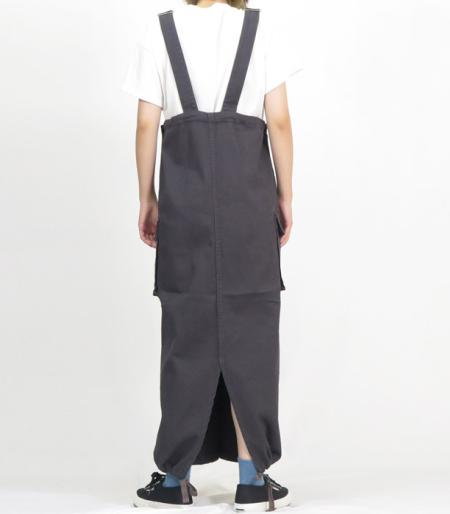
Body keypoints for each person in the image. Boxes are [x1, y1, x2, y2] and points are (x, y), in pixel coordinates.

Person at [122, 0, 299, 510]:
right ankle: (252, 480)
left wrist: (147, 196)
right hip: (249, 208)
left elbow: (145, 124)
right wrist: (285, 196)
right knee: (251, 333)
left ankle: (173, 482)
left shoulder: (160, 31)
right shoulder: (261, 29)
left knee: (186, 333)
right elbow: (279, 121)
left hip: (184, 209)